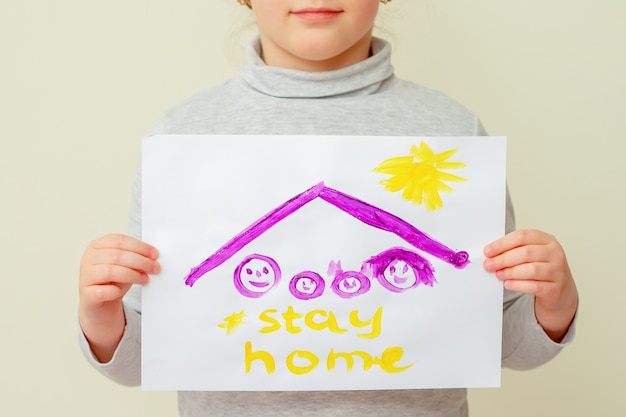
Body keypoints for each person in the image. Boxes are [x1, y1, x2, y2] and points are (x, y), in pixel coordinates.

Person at [78, 1, 578, 416]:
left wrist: (553, 305)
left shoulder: (450, 132)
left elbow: (502, 345)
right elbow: (147, 359)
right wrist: (101, 316)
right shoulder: (183, 136)